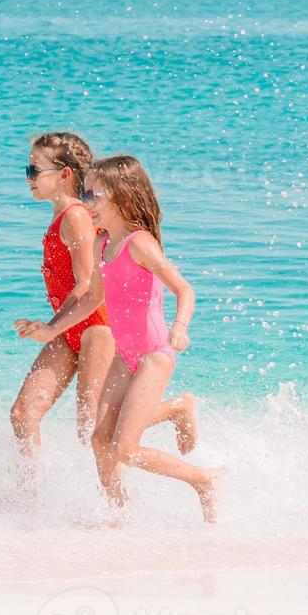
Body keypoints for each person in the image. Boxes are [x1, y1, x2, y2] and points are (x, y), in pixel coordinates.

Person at [18, 155, 219, 522]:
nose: (86, 203)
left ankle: (203, 480)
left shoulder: (140, 244)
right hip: (124, 357)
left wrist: (180, 328)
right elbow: (92, 299)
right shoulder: (102, 246)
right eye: (86, 194)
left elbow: (184, 289)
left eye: (93, 196)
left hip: (153, 357)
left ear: (121, 197)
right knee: (99, 440)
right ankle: (117, 511)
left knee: (126, 449)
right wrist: (50, 329)